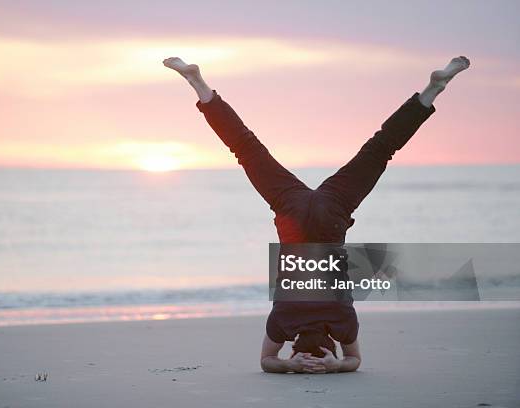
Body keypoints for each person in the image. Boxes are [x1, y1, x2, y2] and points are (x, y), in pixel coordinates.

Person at [163, 55, 470, 373]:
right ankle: (199, 85)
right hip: (292, 211)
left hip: (331, 213)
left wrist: (336, 365)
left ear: (331, 343)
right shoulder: (282, 323)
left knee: (380, 149)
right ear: (294, 344)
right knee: (246, 148)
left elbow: (354, 360)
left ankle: (431, 90)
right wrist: (290, 365)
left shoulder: (343, 324)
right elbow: (267, 361)